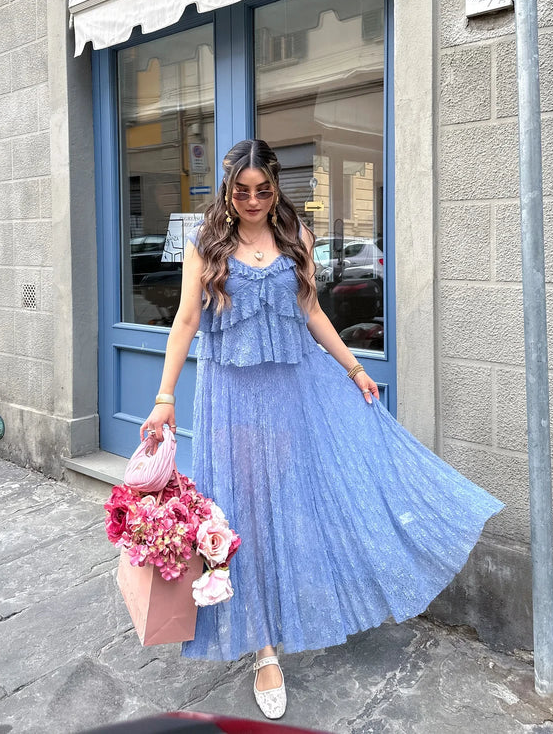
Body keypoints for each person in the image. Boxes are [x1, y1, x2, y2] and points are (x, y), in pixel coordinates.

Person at [139, 139, 504, 720]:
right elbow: (185, 320)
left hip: (293, 392)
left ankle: (287, 605)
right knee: (240, 511)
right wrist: (164, 398)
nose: (253, 201)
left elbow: (312, 312)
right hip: (230, 398)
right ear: (228, 190)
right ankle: (263, 647)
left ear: (276, 187)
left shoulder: (297, 238)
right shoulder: (205, 244)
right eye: (242, 191)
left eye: (264, 190)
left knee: (289, 502)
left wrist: (355, 368)